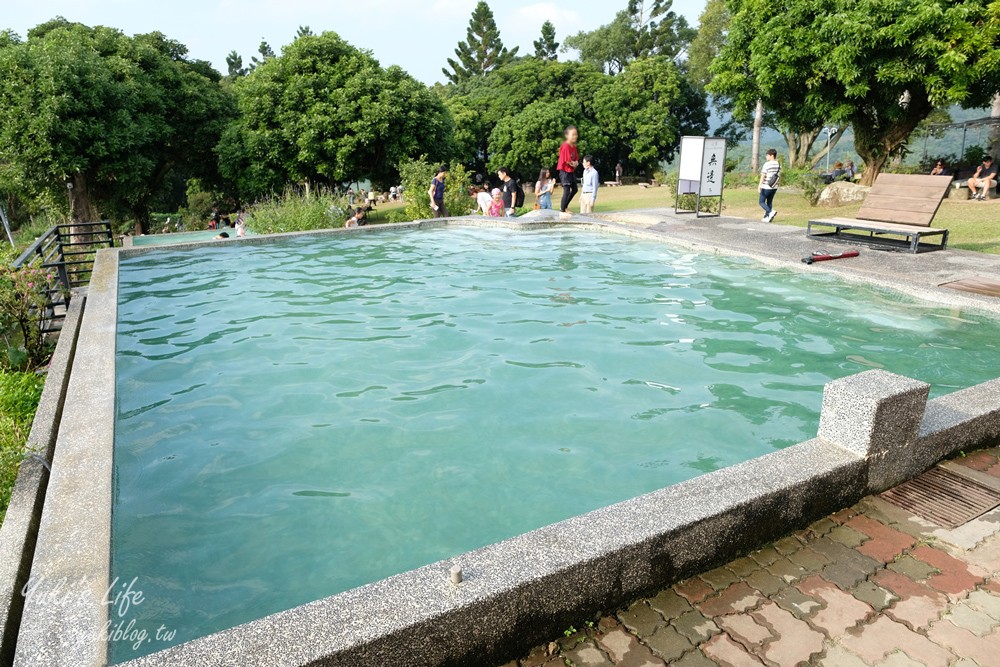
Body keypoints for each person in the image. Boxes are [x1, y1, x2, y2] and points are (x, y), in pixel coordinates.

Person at [557, 126, 580, 213]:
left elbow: (576, 159)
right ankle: (562, 209)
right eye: (572, 134)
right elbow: (567, 160)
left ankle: (565, 207)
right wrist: (574, 164)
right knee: (566, 191)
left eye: (576, 134)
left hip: (570, 171)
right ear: (567, 135)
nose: (575, 136)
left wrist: (576, 163)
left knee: (575, 189)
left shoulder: (574, 147)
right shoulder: (565, 145)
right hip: (564, 172)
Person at [759, 148, 781, 222]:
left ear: (771, 155)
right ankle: (767, 217)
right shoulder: (778, 164)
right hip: (774, 186)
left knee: (761, 202)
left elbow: (763, 175)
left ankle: (770, 211)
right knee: (769, 202)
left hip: (766, 186)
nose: (766, 157)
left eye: (767, 155)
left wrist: (759, 185)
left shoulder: (767, 164)